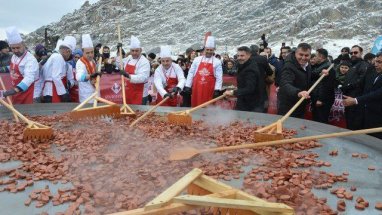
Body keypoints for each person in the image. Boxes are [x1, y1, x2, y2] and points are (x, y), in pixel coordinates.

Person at [277, 43, 328, 118]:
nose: (303, 58)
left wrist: (320, 74)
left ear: (310, 55)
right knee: (287, 127)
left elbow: (307, 75)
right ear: (295, 53)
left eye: (306, 55)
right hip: (288, 105)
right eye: (301, 55)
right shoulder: (289, 66)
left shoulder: (307, 64)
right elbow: (285, 84)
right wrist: (298, 92)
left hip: (301, 102)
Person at [343, 52, 382, 139]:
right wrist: (351, 94)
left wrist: (356, 100)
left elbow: (378, 94)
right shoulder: (371, 70)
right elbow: (360, 85)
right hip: (362, 115)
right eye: (375, 61)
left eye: (379, 62)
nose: (376, 64)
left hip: (378, 118)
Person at [2, 27, 39, 104]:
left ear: (23, 45)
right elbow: (13, 68)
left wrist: (14, 90)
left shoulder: (30, 60)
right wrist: (2, 69)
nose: (16, 50)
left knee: (28, 115)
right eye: (13, 48)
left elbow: (29, 78)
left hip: (28, 92)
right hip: (17, 91)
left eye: (18, 47)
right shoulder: (14, 56)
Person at [184, 36, 223, 107]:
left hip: (209, 89)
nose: (209, 51)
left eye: (211, 50)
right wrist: (188, 85)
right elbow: (191, 73)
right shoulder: (197, 59)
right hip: (197, 88)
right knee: (196, 105)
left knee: (208, 108)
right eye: (207, 49)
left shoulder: (217, 62)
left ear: (214, 50)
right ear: (205, 49)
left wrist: (217, 89)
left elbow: (219, 77)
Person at [224, 46, 260, 111]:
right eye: (238, 56)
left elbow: (249, 88)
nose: (239, 58)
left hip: (250, 103)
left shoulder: (251, 69)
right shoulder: (243, 64)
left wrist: (233, 92)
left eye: (242, 56)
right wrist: (237, 89)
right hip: (243, 99)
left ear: (249, 55)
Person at [41, 36, 75, 103]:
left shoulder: (54, 56)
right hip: (52, 91)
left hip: (49, 90)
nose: (68, 57)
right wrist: (63, 94)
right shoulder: (58, 57)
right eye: (70, 54)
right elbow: (55, 76)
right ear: (68, 51)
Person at [119, 36, 150, 105]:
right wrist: (119, 50)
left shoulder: (144, 62)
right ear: (130, 51)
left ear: (140, 50)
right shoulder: (129, 58)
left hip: (139, 94)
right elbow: (119, 63)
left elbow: (143, 77)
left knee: (139, 114)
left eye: (136, 51)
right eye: (132, 51)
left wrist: (128, 75)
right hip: (128, 92)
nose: (134, 53)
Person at [310, 48, 336, 123]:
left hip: (323, 100)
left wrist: (321, 99)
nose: (315, 57)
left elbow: (328, 85)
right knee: (315, 118)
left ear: (321, 56)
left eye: (316, 55)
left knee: (321, 119)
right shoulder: (319, 66)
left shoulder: (328, 68)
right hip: (316, 95)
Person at [76, 34, 100, 103]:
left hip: (95, 92)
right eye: (87, 53)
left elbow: (96, 72)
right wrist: (90, 76)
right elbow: (78, 77)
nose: (90, 55)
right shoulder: (80, 63)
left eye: (92, 52)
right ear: (82, 52)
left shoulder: (92, 61)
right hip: (87, 96)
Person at [250, 44, 274, 112]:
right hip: (261, 86)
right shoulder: (262, 59)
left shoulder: (246, 59)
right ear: (258, 51)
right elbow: (270, 72)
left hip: (249, 86)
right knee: (262, 105)